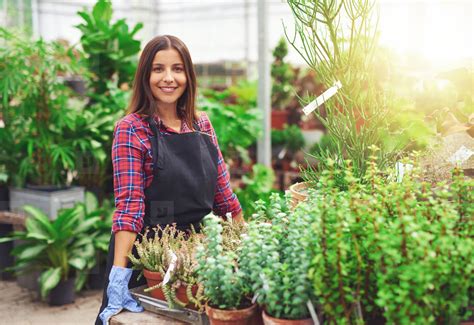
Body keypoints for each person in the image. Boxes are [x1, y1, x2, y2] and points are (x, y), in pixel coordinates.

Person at [96, 35, 243, 325]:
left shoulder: (201, 124)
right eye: (158, 69)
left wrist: (245, 246)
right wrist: (119, 276)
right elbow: (129, 208)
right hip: (147, 262)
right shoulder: (132, 129)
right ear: (145, 75)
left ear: (188, 75)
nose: (168, 78)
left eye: (177, 69)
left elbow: (224, 197)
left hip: (195, 256)